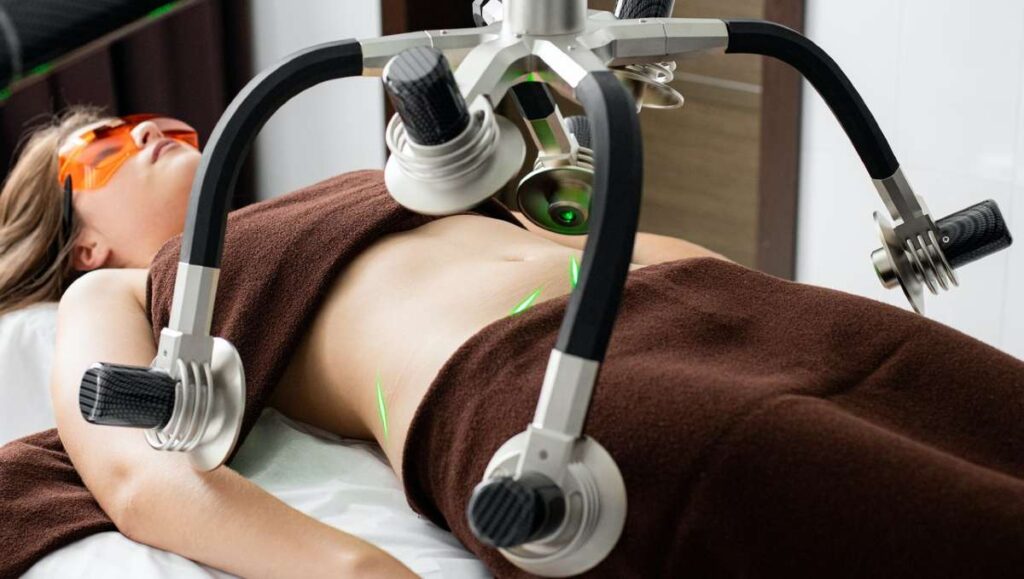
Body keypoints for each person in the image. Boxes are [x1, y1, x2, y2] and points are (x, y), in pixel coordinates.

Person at [0, 107, 722, 577]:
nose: (148, 133)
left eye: (153, 123)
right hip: (560, 390)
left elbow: (578, 241)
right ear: (83, 245)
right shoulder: (112, 294)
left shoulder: (339, 193)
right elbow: (137, 479)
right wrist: (360, 570)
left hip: (701, 307)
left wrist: (741, 287)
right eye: (100, 148)